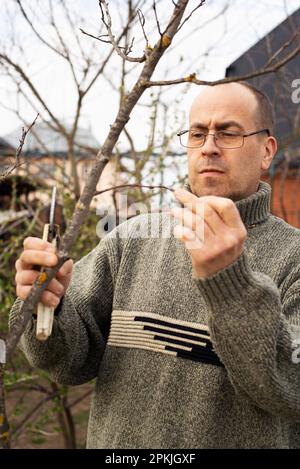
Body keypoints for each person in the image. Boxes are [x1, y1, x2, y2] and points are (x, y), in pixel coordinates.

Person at [10, 82, 300, 449]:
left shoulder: (294, 258)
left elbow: (293, 388)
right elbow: (69, 362)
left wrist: (232, 283)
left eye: (228, 133)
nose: (209, 146)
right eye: (197, 133)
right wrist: (46, 306)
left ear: (267, 151)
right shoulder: (132, 238)